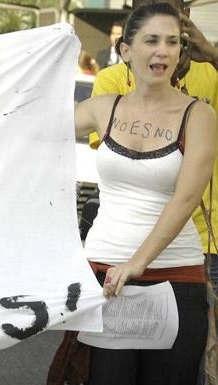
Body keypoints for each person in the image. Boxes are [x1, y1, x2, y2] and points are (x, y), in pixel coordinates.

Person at [75, 3, 216, 384]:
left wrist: (138, 262)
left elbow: (185, 199)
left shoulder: (199, 115)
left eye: (173, 42)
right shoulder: (103, 107)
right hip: (106, 278)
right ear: (126, 51)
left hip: (175, 281)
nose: (163, 51)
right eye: (151, 40)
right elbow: (26, 130)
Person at [91, 0, 218, 296]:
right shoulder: (112, 80)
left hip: (204, 243)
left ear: (185, 18)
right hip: (122, 247)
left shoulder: (210, 72)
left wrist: (212, 55)